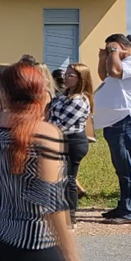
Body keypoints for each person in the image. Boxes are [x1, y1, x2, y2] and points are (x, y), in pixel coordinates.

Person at [0, 62, 81, 261]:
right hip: (34, 240)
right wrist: (71, 258)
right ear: (40, 92)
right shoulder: (46, 133)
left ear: (3, 92)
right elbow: (53, 203)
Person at [95, 34, 131, 224]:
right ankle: (123, 206)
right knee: (121, 168)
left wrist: (115, 52)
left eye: (111, 47)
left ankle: (128, 211)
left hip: (126, 121)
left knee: (127, 167)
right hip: (115, 122)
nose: (109, 51)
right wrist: (103, 58)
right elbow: (105, 75)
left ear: (122, 46)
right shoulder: (118, 62)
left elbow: (116, 71)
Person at [49, 63, 94, 226]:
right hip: (59, 140)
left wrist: (44, 132)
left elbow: (62, 124)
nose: (65, 78)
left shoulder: (80, 100)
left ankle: (70, 218)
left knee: (69, 179)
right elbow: (51, 117)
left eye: (70, 75)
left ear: (80, 79)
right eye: (65, 74)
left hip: (73, 142)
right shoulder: (63, 95)